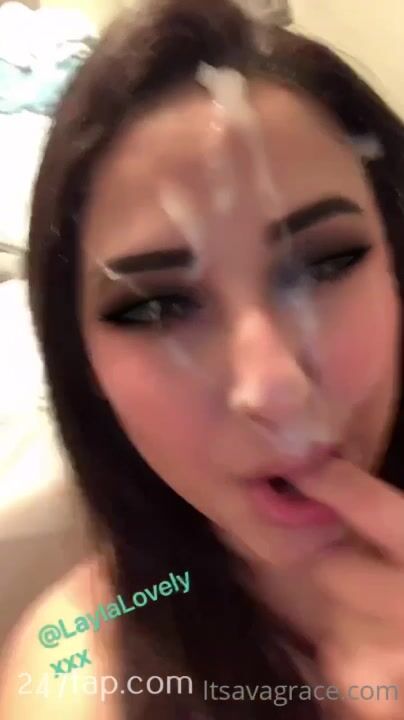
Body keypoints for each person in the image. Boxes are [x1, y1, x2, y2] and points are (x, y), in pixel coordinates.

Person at [1, 0, 404, 718]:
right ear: (84, 364)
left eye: (326, 262)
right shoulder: (76, 677)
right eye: (157, 307)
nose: (273, 388)